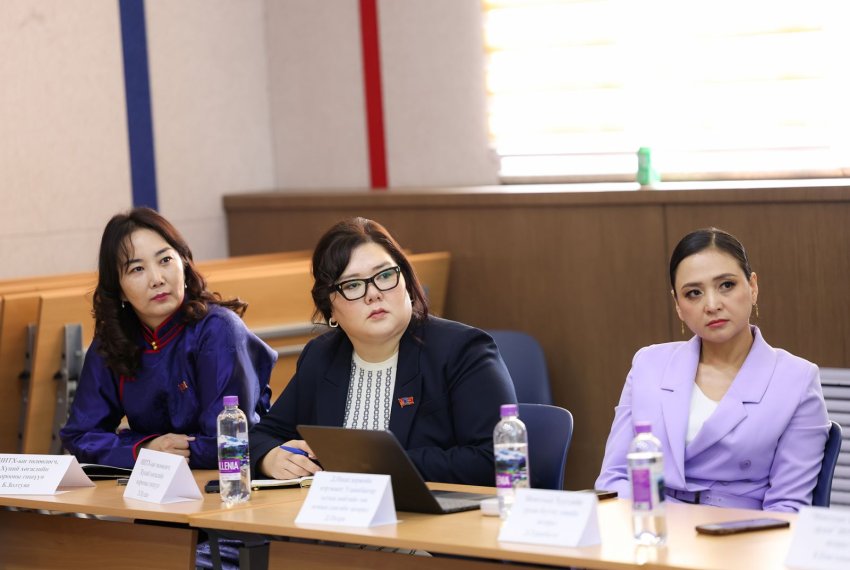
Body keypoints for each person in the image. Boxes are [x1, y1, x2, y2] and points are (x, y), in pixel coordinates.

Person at [249, 217, 517, 486]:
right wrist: (269, 458)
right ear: (330, 309)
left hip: (437, 509)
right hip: (341, 510)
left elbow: (498, 459)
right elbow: (260, 437)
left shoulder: (463, 351)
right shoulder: (321, 357)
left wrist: (374, 465)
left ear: (406, 282)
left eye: (385, 275)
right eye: (352, 285)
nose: (374, 294)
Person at [596, 227, 829, 512]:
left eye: (726, 285)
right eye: (693, 293)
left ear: (753, 287)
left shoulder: (797, 379)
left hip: (739, 531)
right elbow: (615, 478)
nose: (712, 305)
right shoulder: (649, 364)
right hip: (651, 524)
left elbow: (787, 507)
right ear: (678, 306)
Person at [60, 207, 275, 469]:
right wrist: (144, 449)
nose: (157, 279)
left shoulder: (218, 330)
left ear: (184, 263)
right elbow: (80, 435)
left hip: (228, 482)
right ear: (119, 290)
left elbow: (229, 443)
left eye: (165, 260)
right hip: (153, 485)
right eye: (137, 269)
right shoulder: (114, 340)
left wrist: (152, 451)